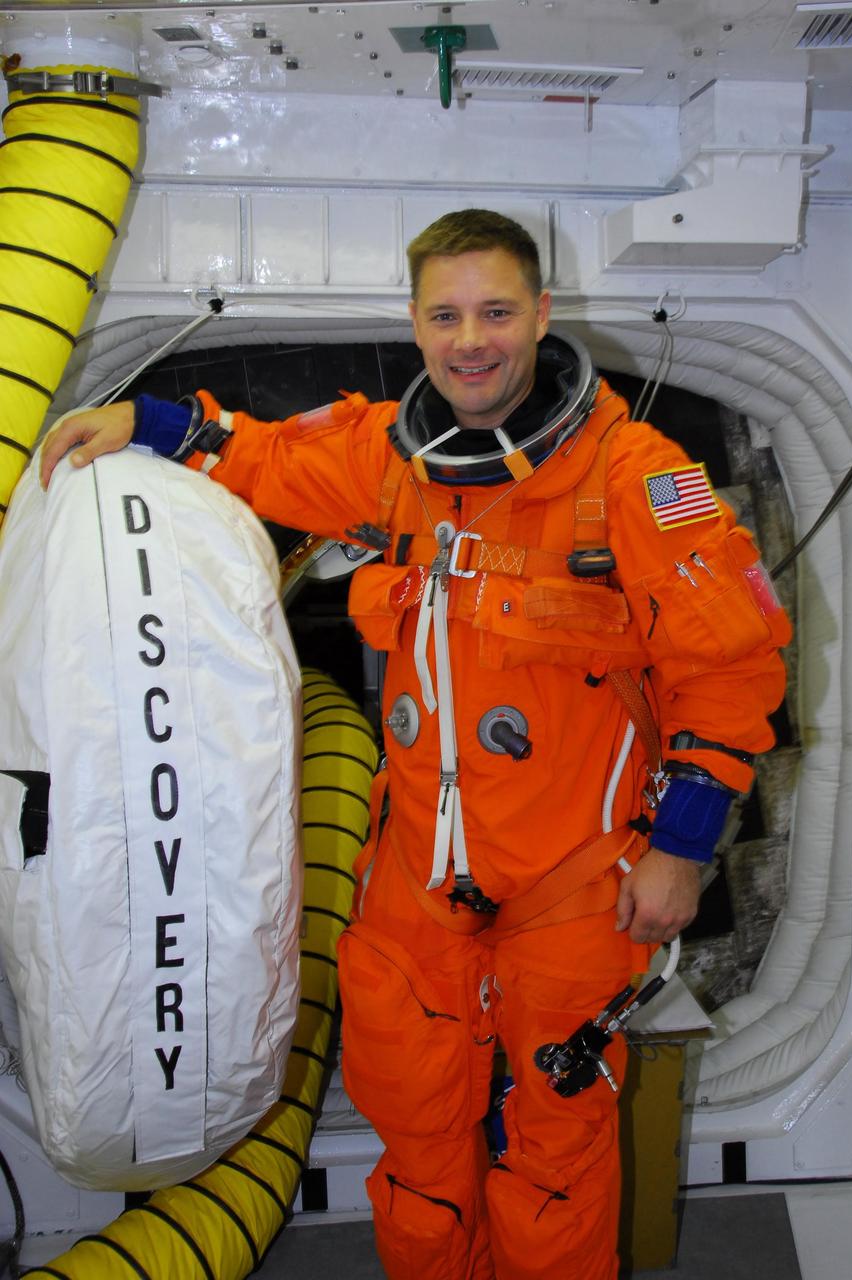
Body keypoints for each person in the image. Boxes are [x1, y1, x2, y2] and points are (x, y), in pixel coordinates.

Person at [40, 209, 790, 1280]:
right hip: (419, 878)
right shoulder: (391, 458)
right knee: (420, 1141)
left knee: (555, 1151)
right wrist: (144, 419)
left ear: (539, 313)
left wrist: (680, 847)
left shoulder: (634, 478)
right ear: (415, 321)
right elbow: (254, 455)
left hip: (575, 878)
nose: (470, 339)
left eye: (494, 310)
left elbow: (732, 669)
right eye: (445, 314)